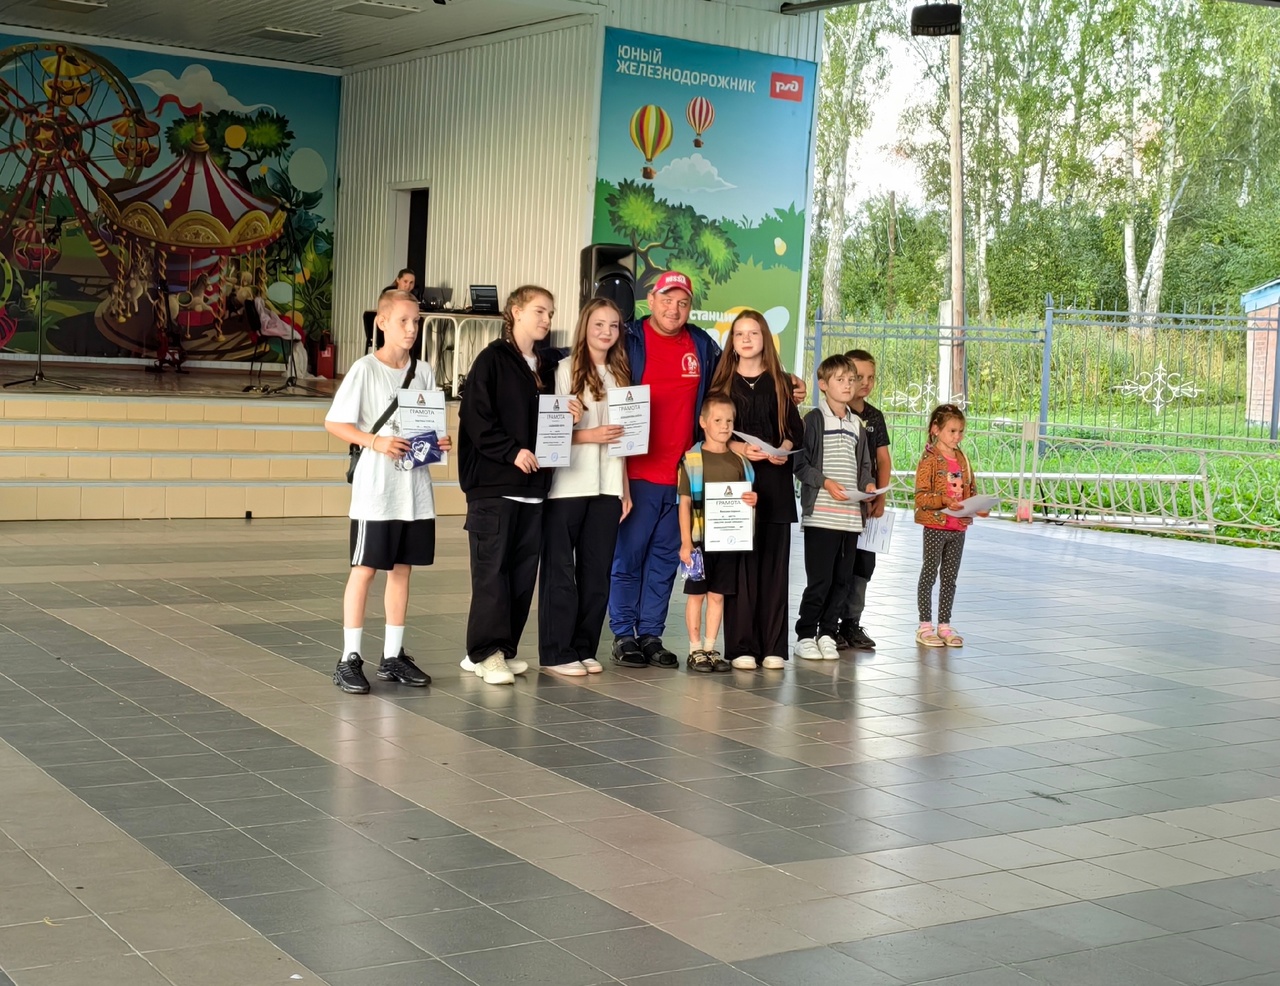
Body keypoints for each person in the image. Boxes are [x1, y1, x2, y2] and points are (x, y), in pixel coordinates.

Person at [608, 272, 806, 670]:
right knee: (628, 559)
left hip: (687, 475)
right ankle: (623, 634)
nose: (674, 309)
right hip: (638, 472)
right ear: (652, 299)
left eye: (682, 302)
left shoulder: (700, 345)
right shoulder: (629, 340)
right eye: (667, 300)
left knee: (667, 562)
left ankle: (650, 635)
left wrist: (789, 381)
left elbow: (742, 375)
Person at [322, 289, 451, 694]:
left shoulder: (424, 371)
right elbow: (334, 423)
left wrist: (439, 442)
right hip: (377, 490)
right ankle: (349, 657)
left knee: (402, 569)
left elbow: (427, 427)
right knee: (364, 570)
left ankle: (393, 655)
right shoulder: (365, 369)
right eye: (403, 321)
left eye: (416, 322)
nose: (412, 329)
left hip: (413, 489)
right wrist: (375, 441)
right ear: (382, 322)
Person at [458, 285, 560, 685]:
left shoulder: (545, 367)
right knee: (491, 574)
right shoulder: (492, 360)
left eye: (550, 313)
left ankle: (502, 649)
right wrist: (511, 451)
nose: (546, 319)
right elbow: (476, 417)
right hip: (494, 487)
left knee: (521, 576)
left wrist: (567, 411)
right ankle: (485, 652)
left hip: (532, 489)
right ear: (515, 311)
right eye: (539, 311)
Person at [537, 299, 632, 676]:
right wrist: (591, 435)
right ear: (585, 327)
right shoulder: (564, 371)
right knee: (560, 571)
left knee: (597, 571)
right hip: (568, 485)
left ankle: (583, 646)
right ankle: (557, 651)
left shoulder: (622, 375)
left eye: (613, 325)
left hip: (608, 485)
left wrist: (625, 489)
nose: (606, 332)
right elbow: (550, 436)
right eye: (599, 324)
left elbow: (626, 441)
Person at [713, 310, 804, 670]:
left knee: (774, 569)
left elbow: (795, 431)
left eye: (754, 333)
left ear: (765, 338)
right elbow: (707, 432)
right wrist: (738, 447)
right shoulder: (721, 383)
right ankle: (741, 647)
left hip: (775, 485)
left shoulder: (782, 382)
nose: (747, 339)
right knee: (741, 568)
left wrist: (783, 447)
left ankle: (774, 647)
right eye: (740, 334)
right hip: (736, 482)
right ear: (732, 342)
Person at [793, 354, 875, 661]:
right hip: (822, 516)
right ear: (823, 385)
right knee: (820, 581)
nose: (848, 385)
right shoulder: (814, 420)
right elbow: (800, 465)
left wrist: (868, 486)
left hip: (850, 518)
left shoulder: (857, 424)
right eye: (840, 380)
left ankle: (827, 633)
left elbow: (864, 467)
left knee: (842, 580)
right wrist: (825, 482)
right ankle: (805, 635)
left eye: (852, 379)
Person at [677, 395, 757, 673]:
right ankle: (695, 649)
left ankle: (711, 648)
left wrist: (752, 499)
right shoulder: (691, 460)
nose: (724, 426)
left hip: (728, 540)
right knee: (696, 595)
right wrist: (686, 542)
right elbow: (684, 503)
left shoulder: (740, 461)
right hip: (699, 542)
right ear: (703, 422)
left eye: (729, 421)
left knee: (718, 595)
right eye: (718, 420)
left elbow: (747, 495)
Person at [837, 348, 892, 650]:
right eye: (858, 376)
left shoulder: (874, 417)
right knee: (838, 564)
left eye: (871, 377)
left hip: (867, 504)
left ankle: (852, 623)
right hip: (839, 503)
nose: (865, 383)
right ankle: (828, 625)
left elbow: (883, 460)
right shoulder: (833, 413)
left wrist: (880, 498)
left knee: (862, 566)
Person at [914, 403, 977, 648]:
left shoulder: (962, 459)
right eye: (952, 431)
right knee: (930, 573)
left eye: (960, 431)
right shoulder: (929, 459)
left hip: (957, 528)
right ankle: (924, 626)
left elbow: (970, 490)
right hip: (936, 526)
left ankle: (944, 625)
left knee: (950, 578)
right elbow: (921, 496)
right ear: (935, 429)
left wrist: (974, 508)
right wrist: (943, 501)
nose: (957, 436)